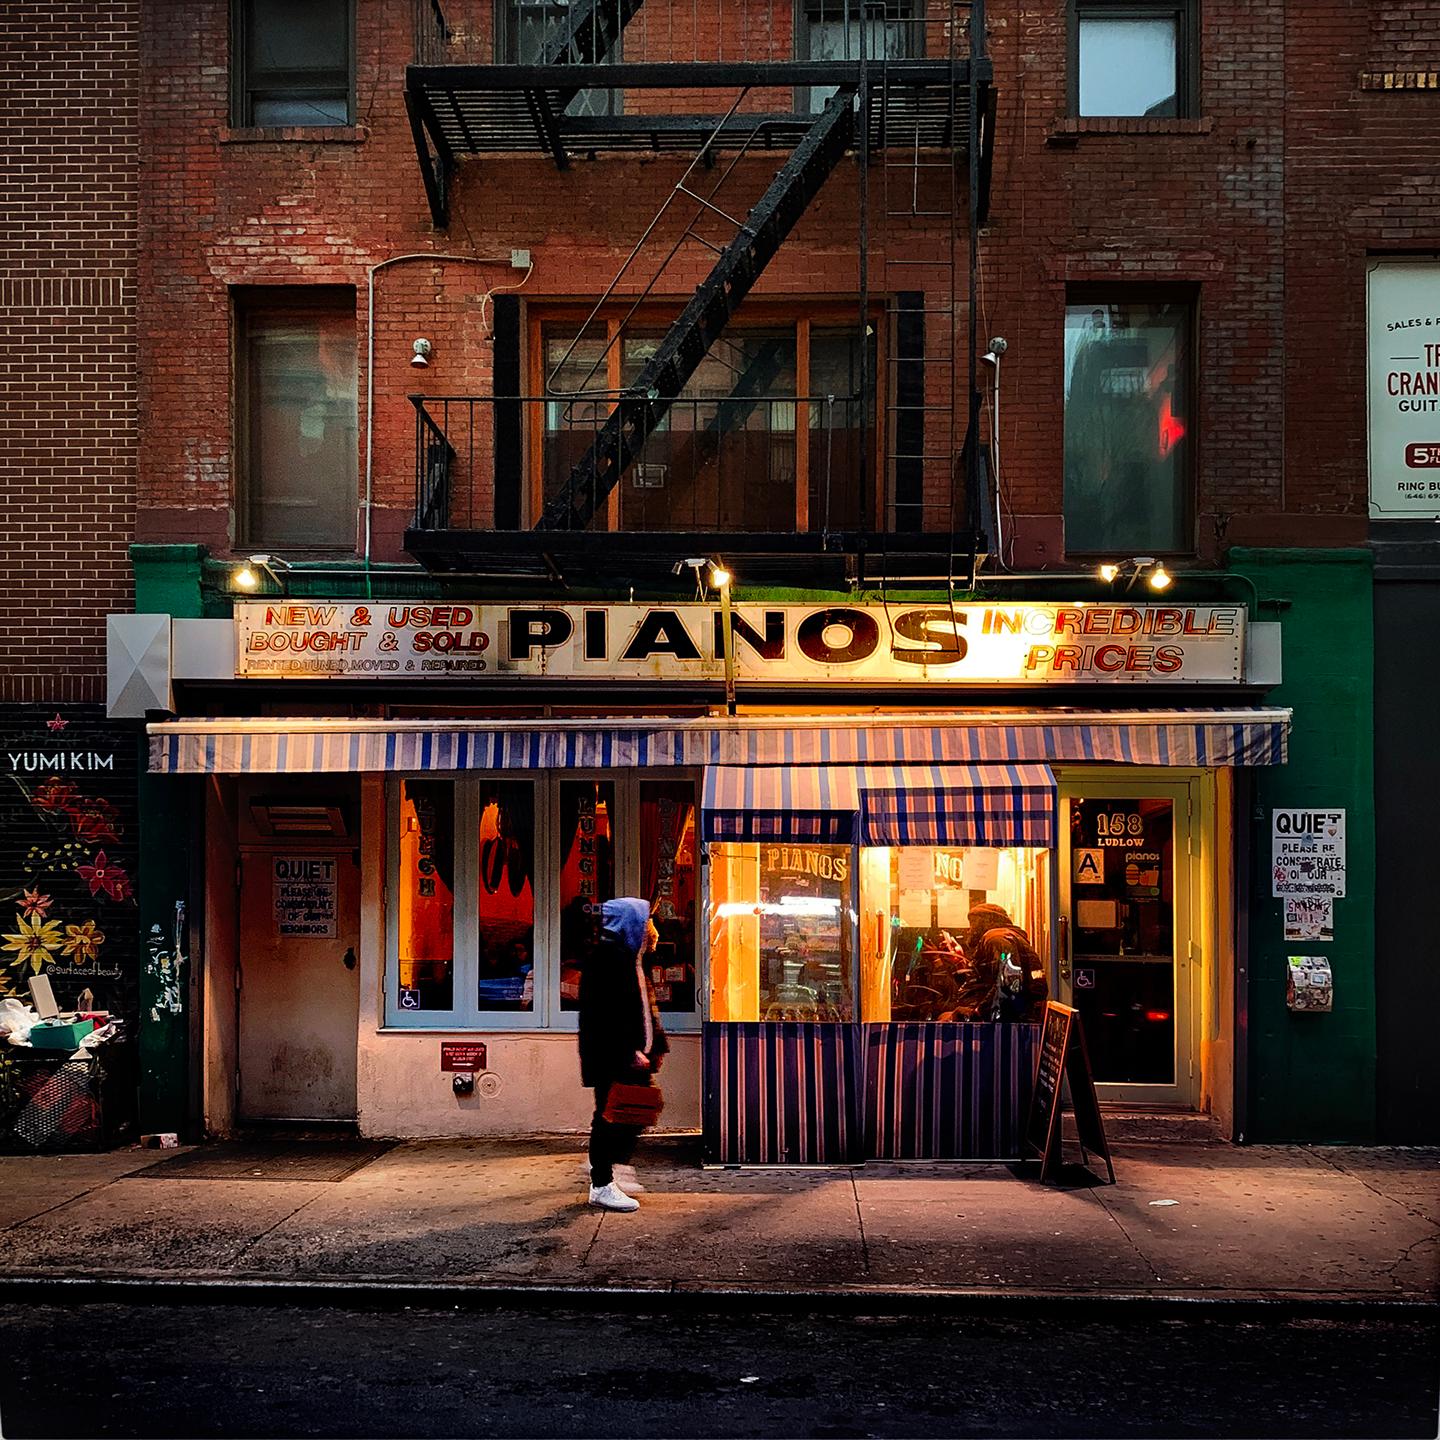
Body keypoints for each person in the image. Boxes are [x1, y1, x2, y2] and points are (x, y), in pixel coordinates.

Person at [578, 897, 669, 1212]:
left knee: (631, 1114)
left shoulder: (629, 959)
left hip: (631, 1056)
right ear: (629, 923)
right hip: (615, 1057)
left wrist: (655, 1045)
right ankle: (602, 1182)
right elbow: (604, 1015)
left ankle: (610, 1170)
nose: (649, 929)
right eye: (644, 922)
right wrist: (628, 1050)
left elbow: (642, 1009)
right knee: (611, 1116)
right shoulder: (608, 960)